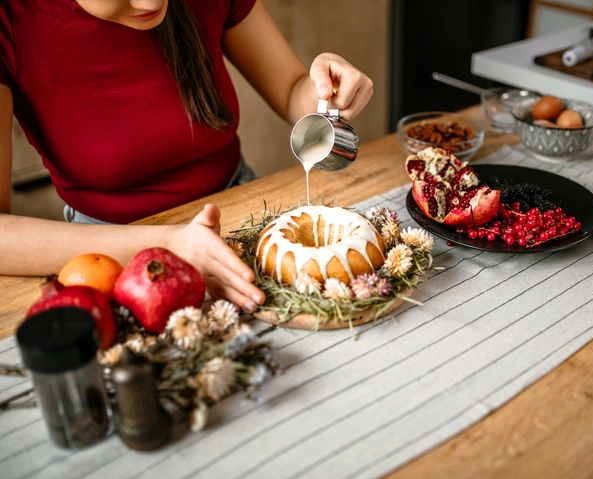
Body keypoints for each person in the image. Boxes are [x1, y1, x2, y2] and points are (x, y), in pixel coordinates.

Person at [0, 0, 374, 312]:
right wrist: (172, 243)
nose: (151, 3)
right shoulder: (12, 19)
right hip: (108, 256)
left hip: (242, 211)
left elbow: (293, 89)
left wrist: (324, 93)